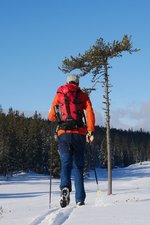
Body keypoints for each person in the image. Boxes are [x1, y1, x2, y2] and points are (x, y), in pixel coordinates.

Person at [48, 74, 95, 207]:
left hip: (63, 134)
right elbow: (90, 112)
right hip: (79, 134)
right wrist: (90, 130)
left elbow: (51, 116)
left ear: (67, 82)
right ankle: (80, 199)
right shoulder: (81, 95)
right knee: (78, 167)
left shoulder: (59, 94)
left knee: (66, 163)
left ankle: (65, 188)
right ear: (78, 83)